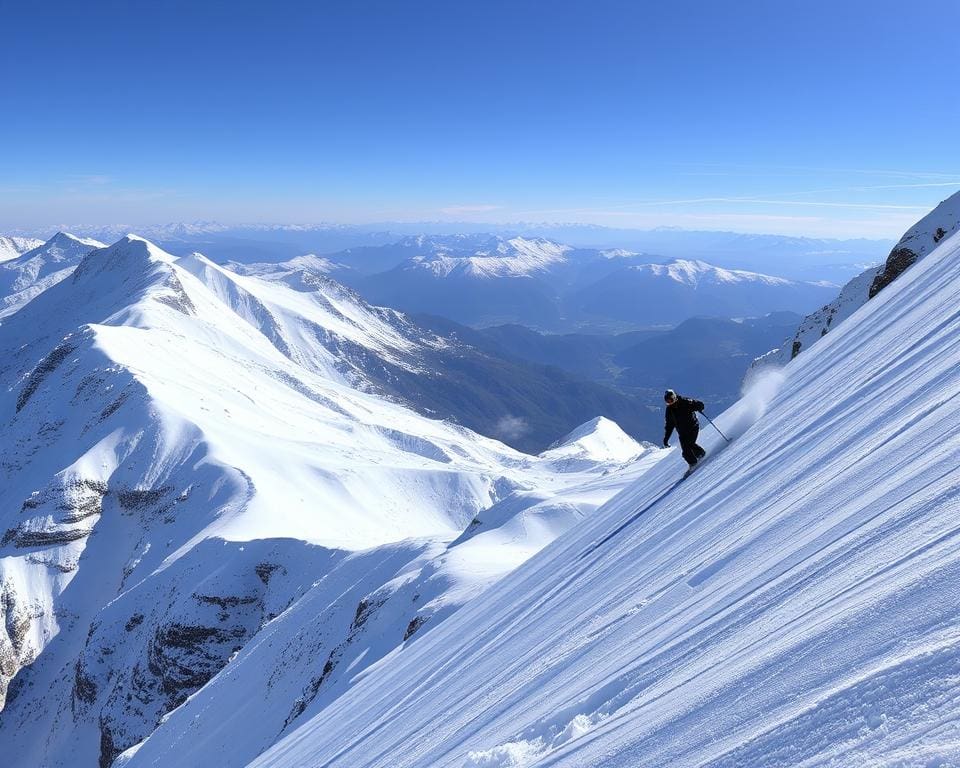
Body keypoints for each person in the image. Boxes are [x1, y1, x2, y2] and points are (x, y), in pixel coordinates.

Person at [663, 389, 707, 468]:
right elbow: (669, 425)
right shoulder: (669, 410)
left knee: (689, 444)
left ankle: (699, 455)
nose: (670, 403)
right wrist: (666, 439)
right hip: (682, 432)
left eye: (670, 400)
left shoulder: (685, 402)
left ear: (674, 397)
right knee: (685, 451)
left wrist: (699, 407)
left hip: (693, 427)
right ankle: (693, 462)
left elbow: (699, 404)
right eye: (667, 401)